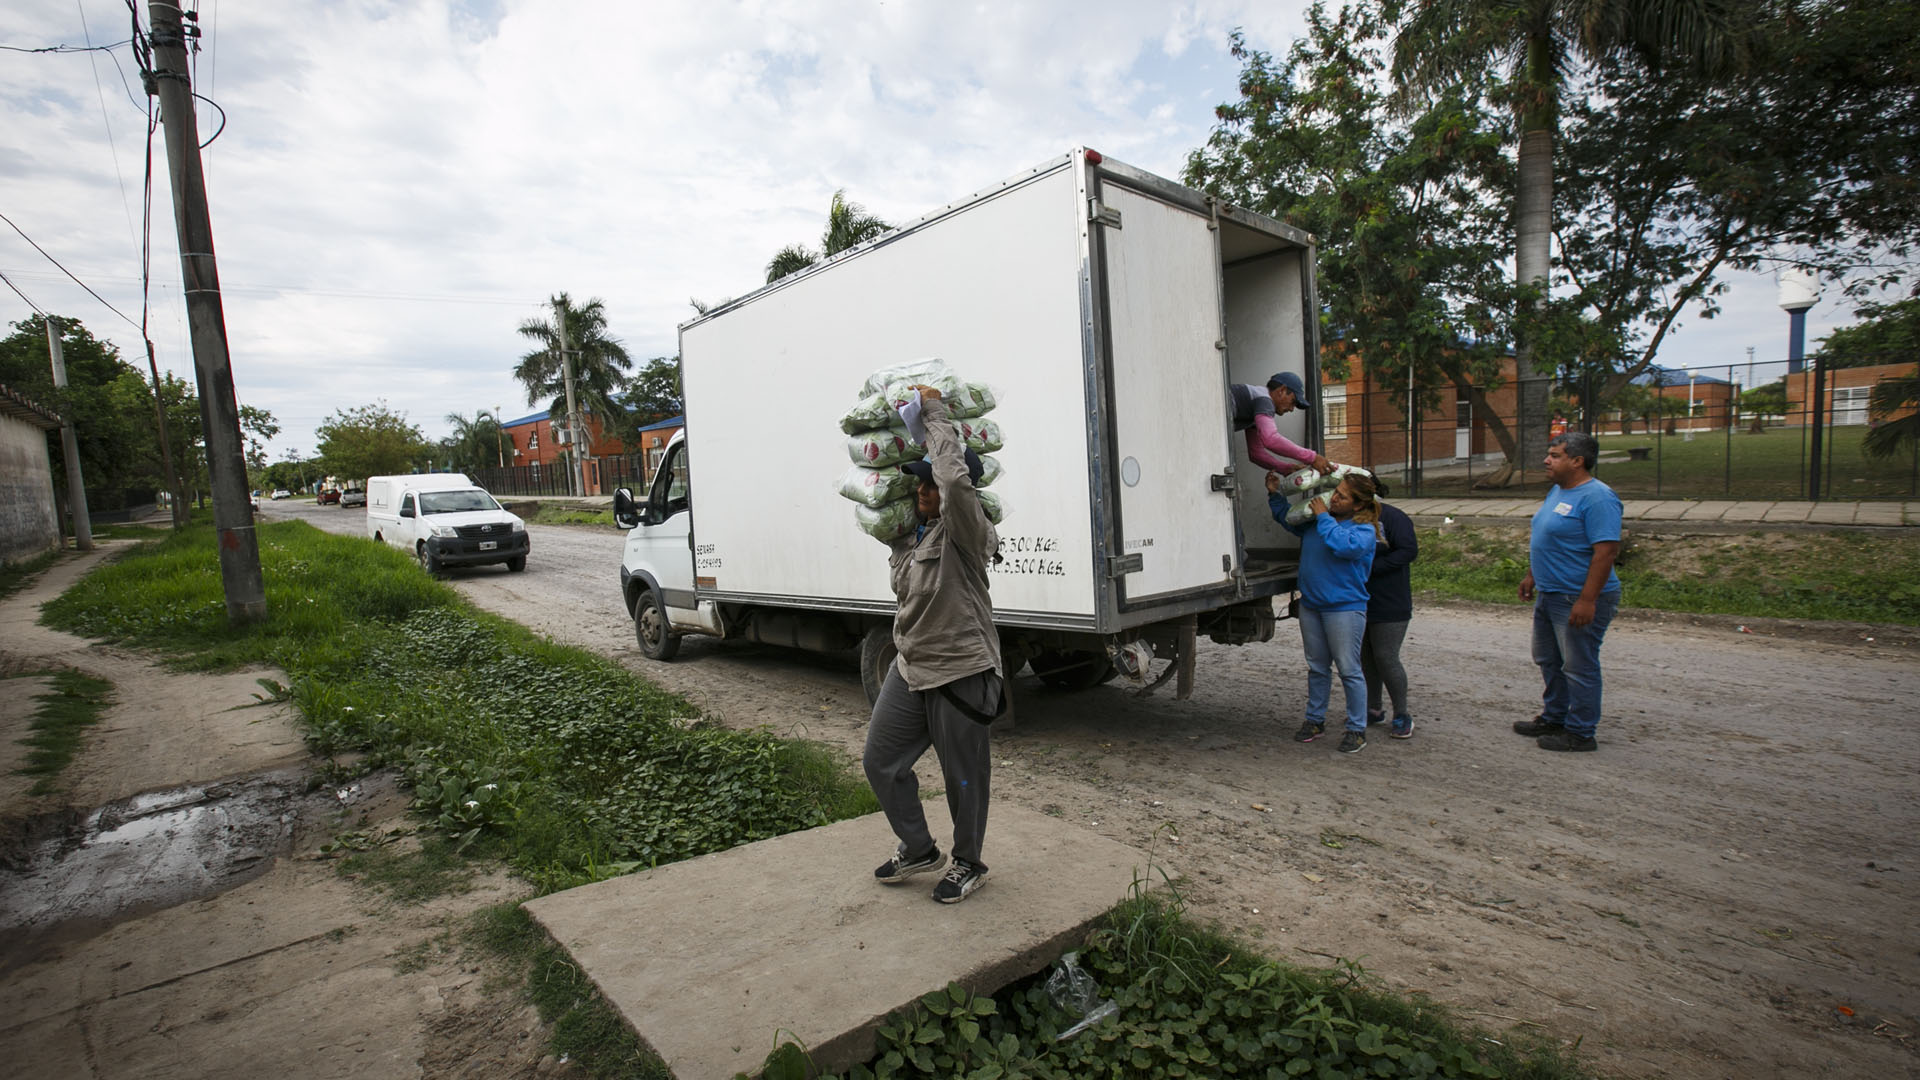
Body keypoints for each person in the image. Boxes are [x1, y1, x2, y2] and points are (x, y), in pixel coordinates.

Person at [863, 385, 1006, 903]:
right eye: (917, 484)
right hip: (912, 666)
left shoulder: (967, 531)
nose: (922, 490)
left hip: (961, 669)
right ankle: (919, 847)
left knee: (962, 779)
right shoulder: (912, 536)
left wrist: (935, 413)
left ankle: (968, 861)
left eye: (928, 484)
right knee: (880, 761)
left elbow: (950, 476)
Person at [1515, 431, 1622, 752]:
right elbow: (1548, 536)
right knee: (1549, 659)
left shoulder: (1598, 498)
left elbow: (1606, 552)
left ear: (1578, 461)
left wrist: (1587, 599)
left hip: (1576, 597)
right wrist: (1532, 574)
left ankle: (1581, 732)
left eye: (1555, 455)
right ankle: (1555, 716)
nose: (1547, 460)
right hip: (1550, 593)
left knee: (1578, 665)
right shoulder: (1558, 491)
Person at [1270, 469, 1379, 754]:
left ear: (1358, 505)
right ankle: (1315, 720)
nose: (1333, 497)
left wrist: (1322, 518)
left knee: (1349, 669)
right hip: (1312, 605)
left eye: (1342, 496)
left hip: (1344, 609)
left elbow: (1343, 547)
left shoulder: (1363, 530)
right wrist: (1274, 495)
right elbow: (1287, 521)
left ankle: (1357, 729)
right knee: (1317, 667)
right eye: (1335, 491)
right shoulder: (1318, 521)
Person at [1362, 478, 1418, 739]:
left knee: (1386, 657)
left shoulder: (1393, 518)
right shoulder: (1349, 518)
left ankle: (1402, 714)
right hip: (1359, 600)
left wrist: (1371, 569)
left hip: (1390, 601)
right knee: (1366, 658)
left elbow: (1408, 551)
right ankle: (1373, 708)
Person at [1231, 371, 1333, 477]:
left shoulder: (1258, 408)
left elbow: (1256, 454)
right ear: (1282, 390)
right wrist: (1312, 457)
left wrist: (1285, 468)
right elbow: (1270, 439)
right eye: (1293, 401)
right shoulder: (1265, 400)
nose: (1291, 409)